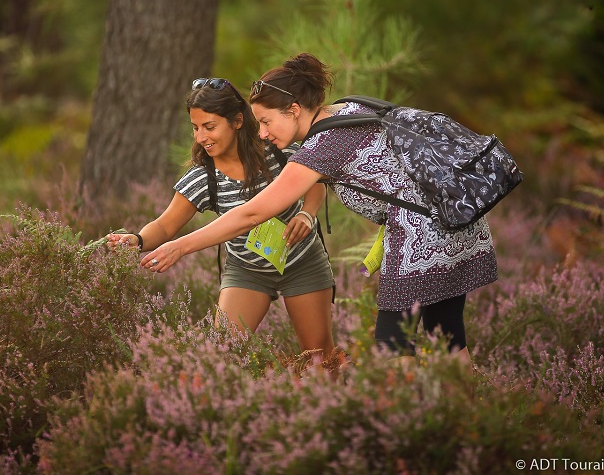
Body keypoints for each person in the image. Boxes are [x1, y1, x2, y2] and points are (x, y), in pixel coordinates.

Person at [142, 56, 498, 364]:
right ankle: (465, 422)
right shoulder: (349, 108)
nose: (262, 133)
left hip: (422, 239)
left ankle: (401, 431)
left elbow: (252, 214)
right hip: (456, 219)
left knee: (393, 348)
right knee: (447, 337)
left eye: (266, 122)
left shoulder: (321, 147)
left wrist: (181, 246)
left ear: (294, 110)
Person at [108, 77, 336, 357]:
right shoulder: (203, 178)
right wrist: (139, 239)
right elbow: (165, 225)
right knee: (223, 354)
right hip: (246, 272)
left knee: (320, 357)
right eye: (195, 128)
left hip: (303, 263)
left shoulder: (279, 149)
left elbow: (314, 182)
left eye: (209, 127)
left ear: (237, 121)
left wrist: (306, 214)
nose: (201, 137)